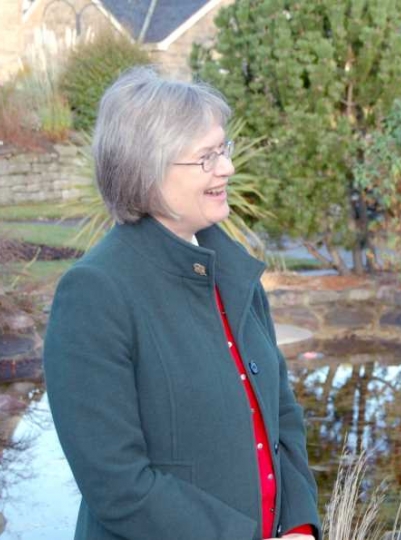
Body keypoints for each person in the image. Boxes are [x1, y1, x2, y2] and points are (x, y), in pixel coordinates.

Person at [43, 67, 319, 540]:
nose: (227, 168)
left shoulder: (232, 272)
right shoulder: (95, 293)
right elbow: (118, 485)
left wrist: (297, 525)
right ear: (147, 169)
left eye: (223, 149)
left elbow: (282, 416)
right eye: (206, 157)